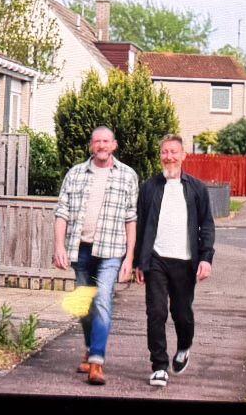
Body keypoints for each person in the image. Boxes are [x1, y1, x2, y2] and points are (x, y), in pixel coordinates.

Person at [52, 125, 139, 386]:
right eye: (97, 141)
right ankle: (90, 348)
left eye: (106, 141)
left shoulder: (128, 175)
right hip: (81, 249)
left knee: (102, 300)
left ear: (114, 145)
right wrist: (59, 247)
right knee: (85, 304)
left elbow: (131, 218)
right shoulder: (76, 173)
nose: (101, 145)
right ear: (92, 146)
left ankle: (97, 361)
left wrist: (130, 258)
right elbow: (62, 212)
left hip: (111, 251)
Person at [131, 134, 215, 389]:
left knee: (182, 313)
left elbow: (207, 225)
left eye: (173, 152)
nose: (169, 157)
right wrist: (138, 262)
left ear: (183, 155)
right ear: (160, 156)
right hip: (156, 260)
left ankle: (184, 346)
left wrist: (206, 258)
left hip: (186, 262)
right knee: (156, 312)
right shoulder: (149, 188)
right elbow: (141, 226)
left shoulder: (197, 188)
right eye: (165, 152)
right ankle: (159, 366)